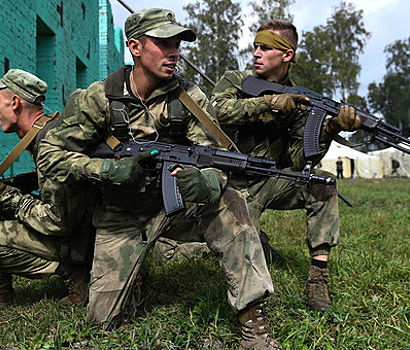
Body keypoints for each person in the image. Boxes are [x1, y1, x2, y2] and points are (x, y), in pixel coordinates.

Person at [36, 8, 284, 349]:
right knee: (102, 321)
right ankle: (135, 273)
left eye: (177, 44)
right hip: (120, 216)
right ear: (135, 47)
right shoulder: (99, 97)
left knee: (230, 202)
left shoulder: (191, 98)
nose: (174, 52)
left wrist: (206, 182)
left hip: (174, 210)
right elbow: (50, 154)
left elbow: (216, 157)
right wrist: (107, 170)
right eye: (163, 43)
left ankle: (253, 319)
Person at [208, 19, 360, 312]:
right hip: (229, 183)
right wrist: (268, 103)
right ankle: (260, 245)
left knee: (323, 182)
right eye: (255, 47)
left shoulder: (301, 99)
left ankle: (318, 278)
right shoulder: (236, 81)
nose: (256, 53)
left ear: (287, 55)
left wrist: (329, 129)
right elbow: (215, 112)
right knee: (223, 247)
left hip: (269, 181)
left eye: (265, 48)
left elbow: (298, 160)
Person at [0, 69, 96, 316]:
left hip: (86, 237)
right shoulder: (45, 131)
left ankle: (77, 274)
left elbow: (58, 222)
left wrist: (9, 196)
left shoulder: (49, 142)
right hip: (84, 227)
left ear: (15, 103)